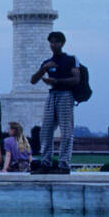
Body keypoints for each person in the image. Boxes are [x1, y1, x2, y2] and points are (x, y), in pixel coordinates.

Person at [29, 30, 80, 174]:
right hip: (52, 96)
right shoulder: (47, 62)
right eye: (51, 42)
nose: (53, 44)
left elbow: (76, 79)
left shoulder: (71, 59)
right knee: (45, 131)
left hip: (66, 95)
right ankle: (45, 163)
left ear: (62, 43)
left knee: (66, 131)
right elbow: (33, 80)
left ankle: (64, 165)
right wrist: (44, 69)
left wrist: (56, 81)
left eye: (56, 41)